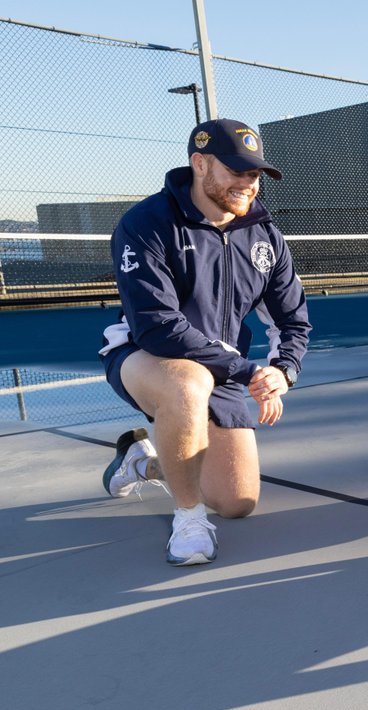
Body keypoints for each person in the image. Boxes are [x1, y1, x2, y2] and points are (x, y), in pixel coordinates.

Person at [98, 118, 311, 566]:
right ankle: (189, 519)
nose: (247, 183)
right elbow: (157, 326)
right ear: (200, 163)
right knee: (188, 382)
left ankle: (142, 460)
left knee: (238, 502)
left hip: (225, 369)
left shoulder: (265, 234)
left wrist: (282, 372)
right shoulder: (146, 224)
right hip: (145, 356)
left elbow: (292, 320)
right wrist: (249, 370)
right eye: (236, 171)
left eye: (254, 174)